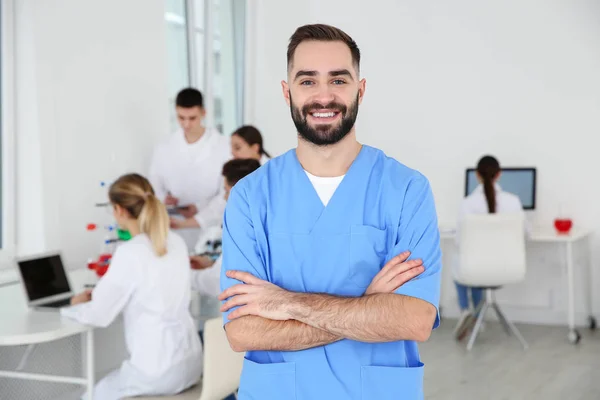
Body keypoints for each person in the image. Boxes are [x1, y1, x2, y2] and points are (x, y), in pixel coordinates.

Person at [218, 24, 441, 400]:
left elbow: (415, 320)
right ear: (287, 92)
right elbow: (243, 332)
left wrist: (283, 303)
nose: (324, 96)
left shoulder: (406, 190)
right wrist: (368, 305)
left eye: (338, 80)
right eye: (307, 82)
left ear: (361, 89)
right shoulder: (250, 197)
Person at [62, 174, 202, 400]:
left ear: (119, 210)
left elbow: (99, 315)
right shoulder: (176, 242)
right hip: (190, 363)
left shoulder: (130, 252)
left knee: (85, 395)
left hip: (156, 372)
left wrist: (73, 306)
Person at [453, 155, 526, 338]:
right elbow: (526, 234)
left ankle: (468, 311)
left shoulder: (467, 203)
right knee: (477, 268)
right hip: (509, 268)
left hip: (476, 269)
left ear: (477, 175)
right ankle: (478, 317)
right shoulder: (513, 201)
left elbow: (459, 241)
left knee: (461, 263)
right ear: (499, 175)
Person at [149, 88, 231, 233]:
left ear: (203, 113)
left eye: (192, 118)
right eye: (181, 118)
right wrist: (163, 199)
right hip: (173, 224)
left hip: (211, 227)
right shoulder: (164, 146)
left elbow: (226, 193)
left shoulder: (223, 146)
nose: (186, 124)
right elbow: (154, 183)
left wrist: (198, 209)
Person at [190, 158, 262, 298]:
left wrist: (185, 275)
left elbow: (219, 282)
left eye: (227, 191)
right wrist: (210, 262)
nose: (224, 197)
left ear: (241, 192)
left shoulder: (244, 231)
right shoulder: (264, 222)